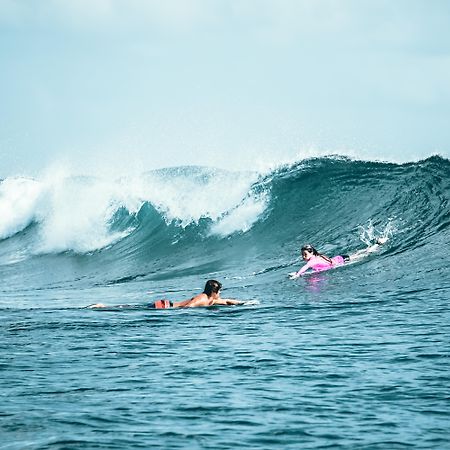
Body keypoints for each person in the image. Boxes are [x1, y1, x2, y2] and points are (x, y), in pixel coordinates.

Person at [88, 280, 244, 309]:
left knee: (134, 307)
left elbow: (226, 301)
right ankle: (103, 306)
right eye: (220, 291)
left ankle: (104, 306)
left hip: (166, 305)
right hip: (165, 306)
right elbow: (189, 306)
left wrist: (244, 303)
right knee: (131, 308)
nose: (221, 294)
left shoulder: (210, 300)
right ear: (214, 292)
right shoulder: (202, 299)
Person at [289, 238, 388, 279]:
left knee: (365, 254)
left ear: (311, 253)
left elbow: (306, 267)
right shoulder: (317, 256)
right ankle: (375, 244)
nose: (303, 257)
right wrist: (299, 273)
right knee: (360, 253)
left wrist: (298, 274)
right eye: (302, 255)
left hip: (341, 261)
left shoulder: (312, 261)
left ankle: (378, 244)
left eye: (305, 255)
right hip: (339, 258)